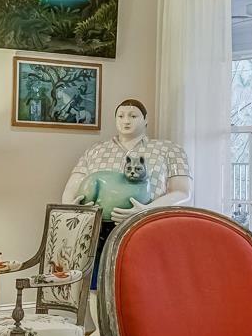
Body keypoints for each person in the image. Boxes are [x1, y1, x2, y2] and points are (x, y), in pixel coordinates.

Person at [61, 99, 192, 286]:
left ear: (145, 119)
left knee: (143, 286)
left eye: (133, 115)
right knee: (96, 286)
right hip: (98, 230)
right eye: (121, 116)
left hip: (148, 228)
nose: (126, 120)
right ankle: (100, 315)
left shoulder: (169, 150)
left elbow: (182, 191)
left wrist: (145, 210)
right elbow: (72, 187)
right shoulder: (96, 151)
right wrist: (71, 207)